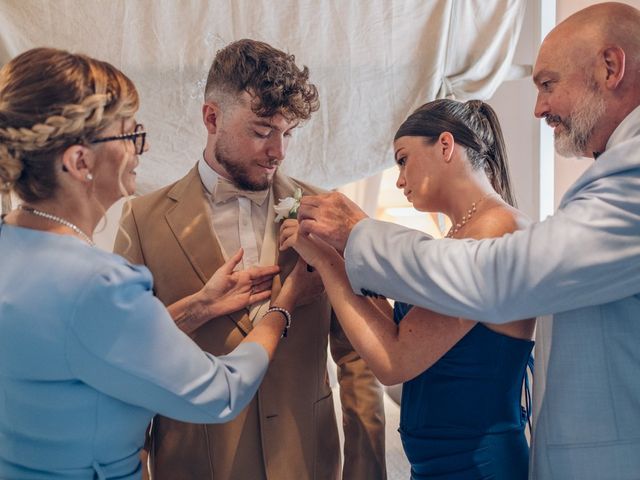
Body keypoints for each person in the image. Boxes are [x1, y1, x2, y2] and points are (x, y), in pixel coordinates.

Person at [295, 2, 640, 479]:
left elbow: (408, 346)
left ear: (610, 67)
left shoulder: (502, 227)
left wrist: (348, 244)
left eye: (547, 84)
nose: (538, 107)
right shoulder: (466, 233)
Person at [0, 47, 317, 480]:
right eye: (130, 136)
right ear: (79, 161)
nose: (139, 151)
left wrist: (200, 306)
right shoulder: (99, 282)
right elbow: (221, 392)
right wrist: (286, 304)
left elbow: (98, 343)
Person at [114, 39, 386, 480]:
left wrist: (365, 470)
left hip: (307, 461)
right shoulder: (142, 220)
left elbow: (357, 357)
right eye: (262, 132)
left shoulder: (328, 212)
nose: (278, 151)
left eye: (288, 133)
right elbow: (127, 358)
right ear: (211, 117)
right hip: (192, 464)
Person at [281, 99, 535, 479]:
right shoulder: (460, 234)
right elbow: (401, 329)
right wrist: (342, 255)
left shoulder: (494, 229)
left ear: (445, 146)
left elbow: (395, 360)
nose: (399, 179)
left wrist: (328, 263)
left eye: (403, 159)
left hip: (477, 464)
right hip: (441, 462)